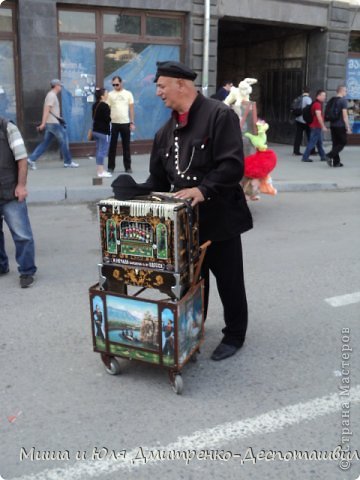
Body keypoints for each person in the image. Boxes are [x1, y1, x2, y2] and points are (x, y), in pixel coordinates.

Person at [144, 61, 253, 361]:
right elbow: (158, 181)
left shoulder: (220, 115)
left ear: (181, 84)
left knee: (228, 280)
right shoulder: (164, 133)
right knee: (192, 283)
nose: (158, 92)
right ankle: (193, 330)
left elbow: (232, 165)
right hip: (185, 225)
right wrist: (134, 191)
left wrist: (203, 190)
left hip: (221, 218)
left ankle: (234, 335)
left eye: (161, 86)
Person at [0, 116, 37, 288]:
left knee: (22, 235)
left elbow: (22, 158)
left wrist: (21, 185)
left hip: (10, 191)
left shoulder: (7, 127)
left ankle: (27, 271)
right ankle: (2, 265)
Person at [27, 79, 79, 169]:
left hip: (52, 123)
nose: (61, 87)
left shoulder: (51, 95)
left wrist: (56, 118)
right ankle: (68, 162)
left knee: (45, 143)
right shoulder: (51, 96)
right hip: (54, 124)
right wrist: (43, 123)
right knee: (64, 141)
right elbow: (46, 110)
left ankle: (31, 159)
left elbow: (50, 110)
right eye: (60, 85)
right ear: (56, 86)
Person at [107, 76, 135, 174]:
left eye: (117, 84)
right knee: (112, 146)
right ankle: (111, 167)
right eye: (113, 84)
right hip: (114, 123)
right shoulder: (110, 95)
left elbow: (131, 108)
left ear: (121, 83)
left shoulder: (128, 94)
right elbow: (108, 108)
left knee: (126, 146)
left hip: (125, 123)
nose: (115, 86)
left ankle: (128, 167)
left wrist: (132, 122)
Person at [326, 85, 352, 167]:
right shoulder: (343, 101)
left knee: (335, 143)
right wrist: (348, 127)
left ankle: (336, 162)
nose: (346, 92)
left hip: (333, 125)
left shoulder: (332, 100)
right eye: (346, 91)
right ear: (342, 91)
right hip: (340, 125)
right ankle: (329, 155)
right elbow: (345, 116)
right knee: (343, 142)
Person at [301, 89, 328, 163]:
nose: (324, 97)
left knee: (319, 143)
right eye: (323, 95)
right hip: (316, 126)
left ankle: (323, 156)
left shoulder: (316, 103)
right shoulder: (317, 104)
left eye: (325, 95)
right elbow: (319, 116)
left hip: (316, 126)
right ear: (318, 96)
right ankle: (305, 157)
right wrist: (323, 126)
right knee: (312, 142)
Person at [92, 88, 112, 178]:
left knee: (98, 150)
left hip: (96, 131)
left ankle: (99, 169)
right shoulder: (105, 106)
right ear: (102, 96)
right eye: (106, 93)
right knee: (102, 151)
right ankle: (100, 171)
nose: (108, 95)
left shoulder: (95, 105)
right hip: (104, 132)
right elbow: (107, 119)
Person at [293, 86, 314, 156]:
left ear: (303, 91)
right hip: (305, 120)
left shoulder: (299, 98)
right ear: (309, 92)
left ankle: (296, 151)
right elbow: (310, 109)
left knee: (298, 136)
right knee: (310, 135)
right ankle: (312, 150)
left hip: (298, 119)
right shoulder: (308, 99)